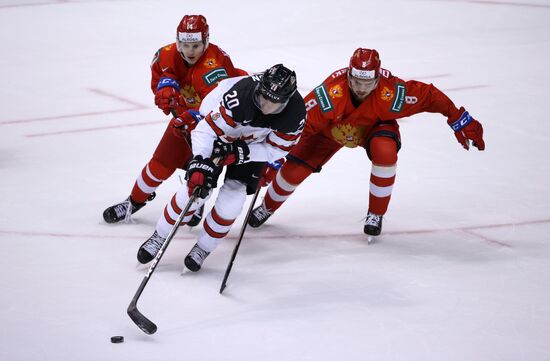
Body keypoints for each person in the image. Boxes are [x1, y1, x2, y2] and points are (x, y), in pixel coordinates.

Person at [248, 48, 485, 238]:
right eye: (356, 82)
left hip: (374, 127)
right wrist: (273, 157)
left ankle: (376, 214)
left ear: (378, 78)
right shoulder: (329, 96)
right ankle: (268, 206)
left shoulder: (392, 93)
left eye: (367, 83)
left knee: (385, 151)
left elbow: (429, 97)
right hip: (328, 132)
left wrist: (456, 117)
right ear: (349, 75)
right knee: (292, 171)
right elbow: (298, 127)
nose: (361, 88)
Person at [136, 64, 306, 271]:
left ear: (287, 101)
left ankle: (203, 247)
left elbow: (276, 150)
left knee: (232, 202)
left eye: (275, 102)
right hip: (219, 135)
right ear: (259, 87)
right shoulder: (238, 97)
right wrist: (200, 162)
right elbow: (205, 131)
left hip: (253, 147)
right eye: (263, 97)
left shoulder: (295, 113)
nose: (266, 105)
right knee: (194, 191)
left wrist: (243, 153)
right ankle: (159, 236)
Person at [102, 14, 246, 225]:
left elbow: (221, 108)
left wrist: (194, 115)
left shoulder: (216, 66)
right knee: (159, 164)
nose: (190, 51)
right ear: (178, 41)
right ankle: (133, 202)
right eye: (185, 45)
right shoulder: (165, 55)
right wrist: (164, 91)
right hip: (182, 122)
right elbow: (158, 84)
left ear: (206, 41)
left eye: (196, 45)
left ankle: (197, 202)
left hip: (214, 129)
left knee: (200, 171)